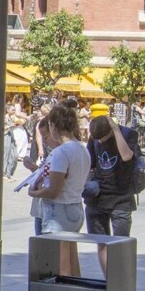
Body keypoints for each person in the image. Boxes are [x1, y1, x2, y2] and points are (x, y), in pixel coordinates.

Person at [28, 101, 90, 277]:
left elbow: (53, 190)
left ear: (54, 126)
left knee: (60, 264)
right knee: (72, 259)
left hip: (59, 209)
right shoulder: (81, 149)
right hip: (75, 206)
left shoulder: (61, 152)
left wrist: (34, 192)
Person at [84, 111, 138, 276]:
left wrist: (116, 130)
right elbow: (89, 164)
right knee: (102, 243)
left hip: (121, 199)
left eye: (103, 138)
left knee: (120, 244)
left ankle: (121, 286)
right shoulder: (94, 137)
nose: (99, 142)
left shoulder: (128, 135)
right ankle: (110, 282)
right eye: (96, 139)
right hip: (98, 199)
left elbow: (127, 156)